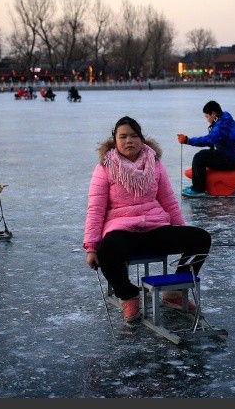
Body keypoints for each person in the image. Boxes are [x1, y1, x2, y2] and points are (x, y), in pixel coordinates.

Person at [83, 116, 212, 323]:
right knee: (105, 250)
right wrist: (90, 247)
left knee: (201, 239)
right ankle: (128, 295)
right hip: (122, 231)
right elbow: (95, 208)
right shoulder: (105, 167)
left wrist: (180, 229)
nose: (129, 141)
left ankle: (176, 292)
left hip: (155, 228)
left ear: (142, 139)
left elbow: (168, 200)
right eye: (122, 136)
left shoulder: (154, 163)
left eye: (134, 135)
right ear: (114, 140)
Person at [177, 100, 235, 196]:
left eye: (207, 116)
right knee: (203, 156)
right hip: (229, 156)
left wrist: (188, 140)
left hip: (229, 160)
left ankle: (198, 189)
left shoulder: (222, 125)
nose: (207, 119)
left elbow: (209, 139)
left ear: (213, 114)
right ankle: (198, 184)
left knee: (199, 157)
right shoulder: (225, 118)